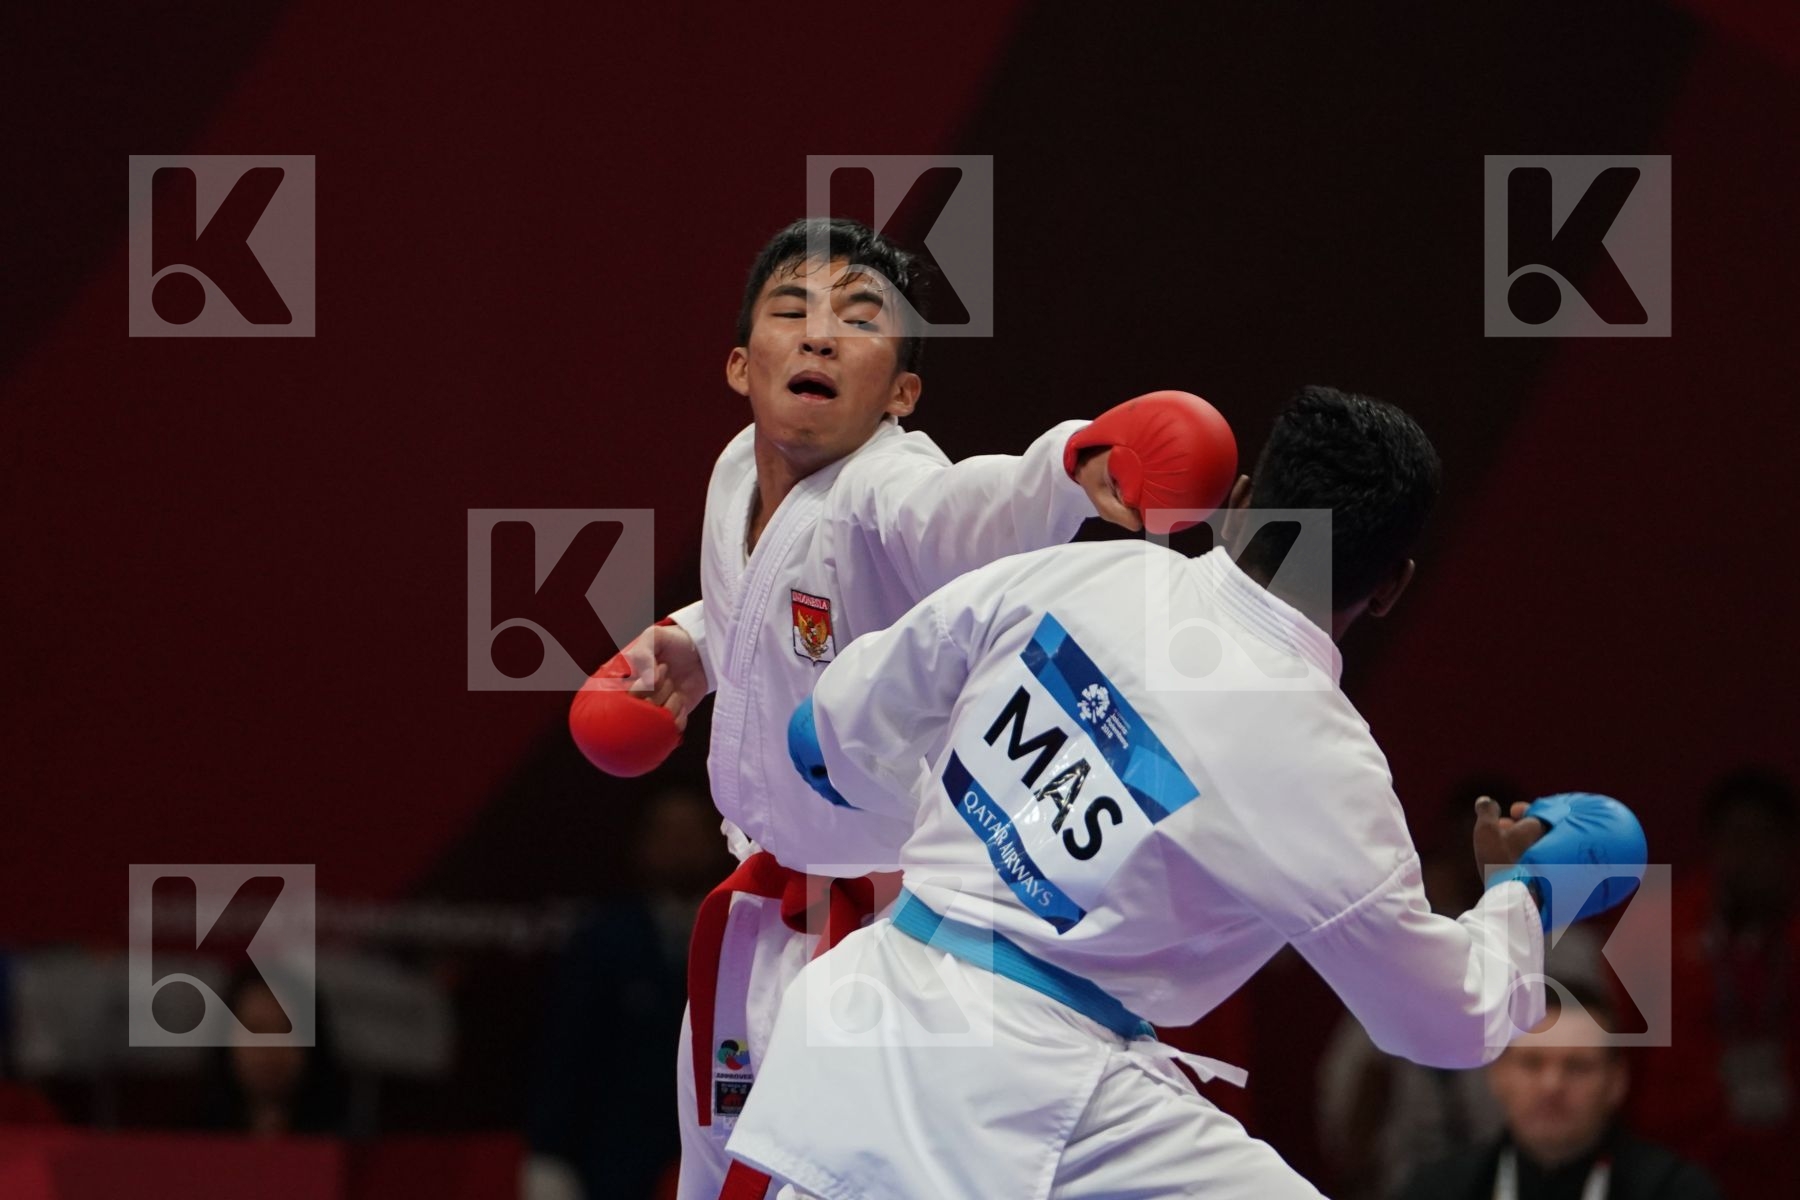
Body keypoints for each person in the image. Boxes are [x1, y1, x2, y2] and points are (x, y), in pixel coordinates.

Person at [727, 387, 1646, 1199]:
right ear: (1394, 587)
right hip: (1020, 1080)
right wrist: (1522, 899)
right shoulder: (1323, 761)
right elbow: (1444, 1019)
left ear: (1242, 504)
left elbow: (830, 731)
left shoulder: (1092, 568)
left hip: (868, 1021)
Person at [566, 217, 1239, 1200]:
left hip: (890, 941)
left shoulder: (891, 490)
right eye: (792, 312)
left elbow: (973, 511)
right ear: (740, 364)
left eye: (862, 320)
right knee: (714, 1184)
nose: (821, 336)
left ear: (902, 394)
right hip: (763, 909)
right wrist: (698, 645)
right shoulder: (732, 473)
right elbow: (773, 605)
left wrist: (1069, 473)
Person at [1630, 766, 1800, 1198]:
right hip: (1680, 1162)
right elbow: (1622, 1052)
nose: (1751, 857)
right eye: (1738, 839)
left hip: (1782, 1163)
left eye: (1767, 840)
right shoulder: (1656, 923)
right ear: (1713, 844)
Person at [1396, 985, 1721, 1200]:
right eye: (1532, 1063)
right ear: (1497, 1073)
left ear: (1616, 1082)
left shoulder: (1675, 1191)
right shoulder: (1437, 1191)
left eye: (1578, 1066)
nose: (1552, 1086)